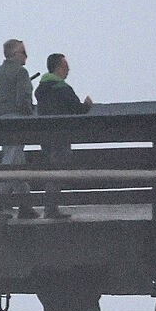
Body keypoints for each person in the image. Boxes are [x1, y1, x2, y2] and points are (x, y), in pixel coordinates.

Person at [33, 52, 92, 219]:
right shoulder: (63, 88)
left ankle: (49, 207)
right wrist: (87, 105)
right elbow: (77, 109)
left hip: (45, 137)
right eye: (66, 67)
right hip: (61, 136)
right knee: (58, 170)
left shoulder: (41, 89)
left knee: (51, 170)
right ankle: (51, 208)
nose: (68, 71)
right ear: (59, 67)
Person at [0, 38, 36, 217]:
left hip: (1, 120)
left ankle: (26, 205)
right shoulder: (21, 72)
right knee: (11, 159)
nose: (26, 56)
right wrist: (29, 115)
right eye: (24, 52)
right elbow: (23, 99)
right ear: (15, 54)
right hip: (16, 121)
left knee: (17, 160)